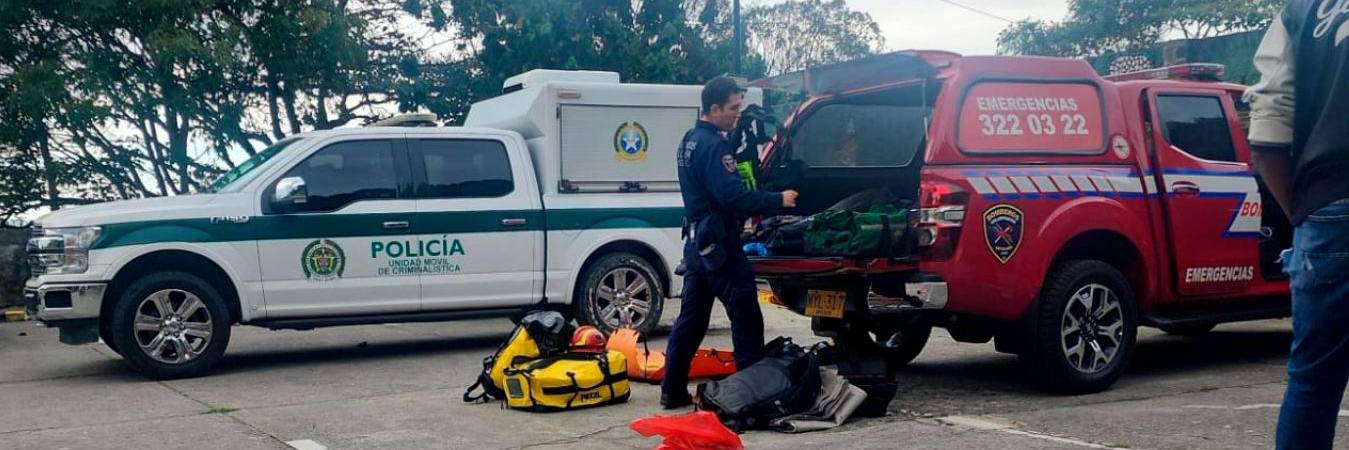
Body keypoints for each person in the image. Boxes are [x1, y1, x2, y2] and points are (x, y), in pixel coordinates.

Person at [661, 77, 799, 409]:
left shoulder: (689, 140)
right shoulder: (713, 146)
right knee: (747, 317)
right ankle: (748, 395)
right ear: (714, 109)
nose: (737, 114)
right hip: (720, 246)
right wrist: (777, 199)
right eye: (733, 108)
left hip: (697, 246)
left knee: (691, 322)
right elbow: (732, 195)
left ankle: (672, 389)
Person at [1247, 2, 1349, 449]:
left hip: (1327, 204)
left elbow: (1266, 140)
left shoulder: (1301, 11)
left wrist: (1306, 216)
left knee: (1314, 383)